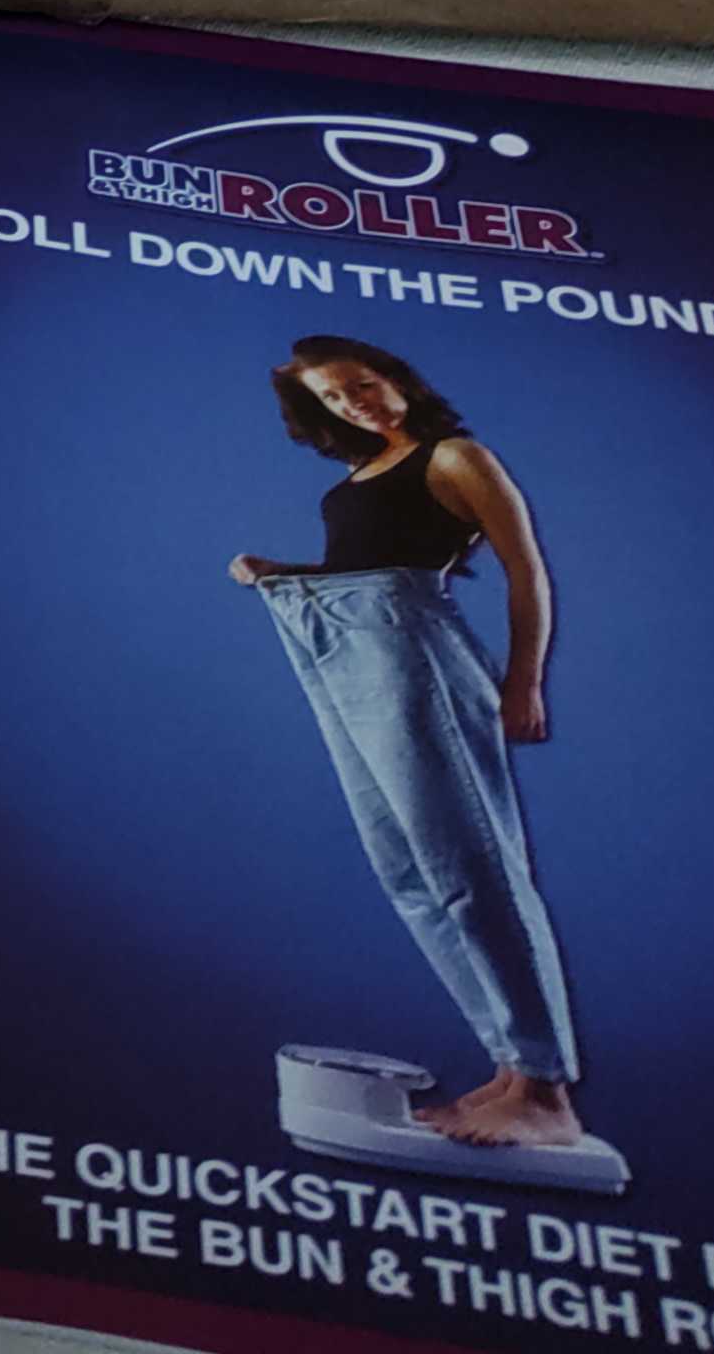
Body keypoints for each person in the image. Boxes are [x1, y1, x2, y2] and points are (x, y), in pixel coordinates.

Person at [225, 335, 590, 1153]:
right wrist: (278, 570)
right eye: (332, 397)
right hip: (347, 654)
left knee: (474, 869)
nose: (352, 404)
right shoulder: (358, 475)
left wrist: (524, 682)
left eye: (361, 385)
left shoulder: (456, 457)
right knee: (411, 872)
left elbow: (525, 570)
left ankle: (545, 1089)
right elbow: (364, 567)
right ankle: (509, 1066)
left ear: (395, 379)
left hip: (416, 656)